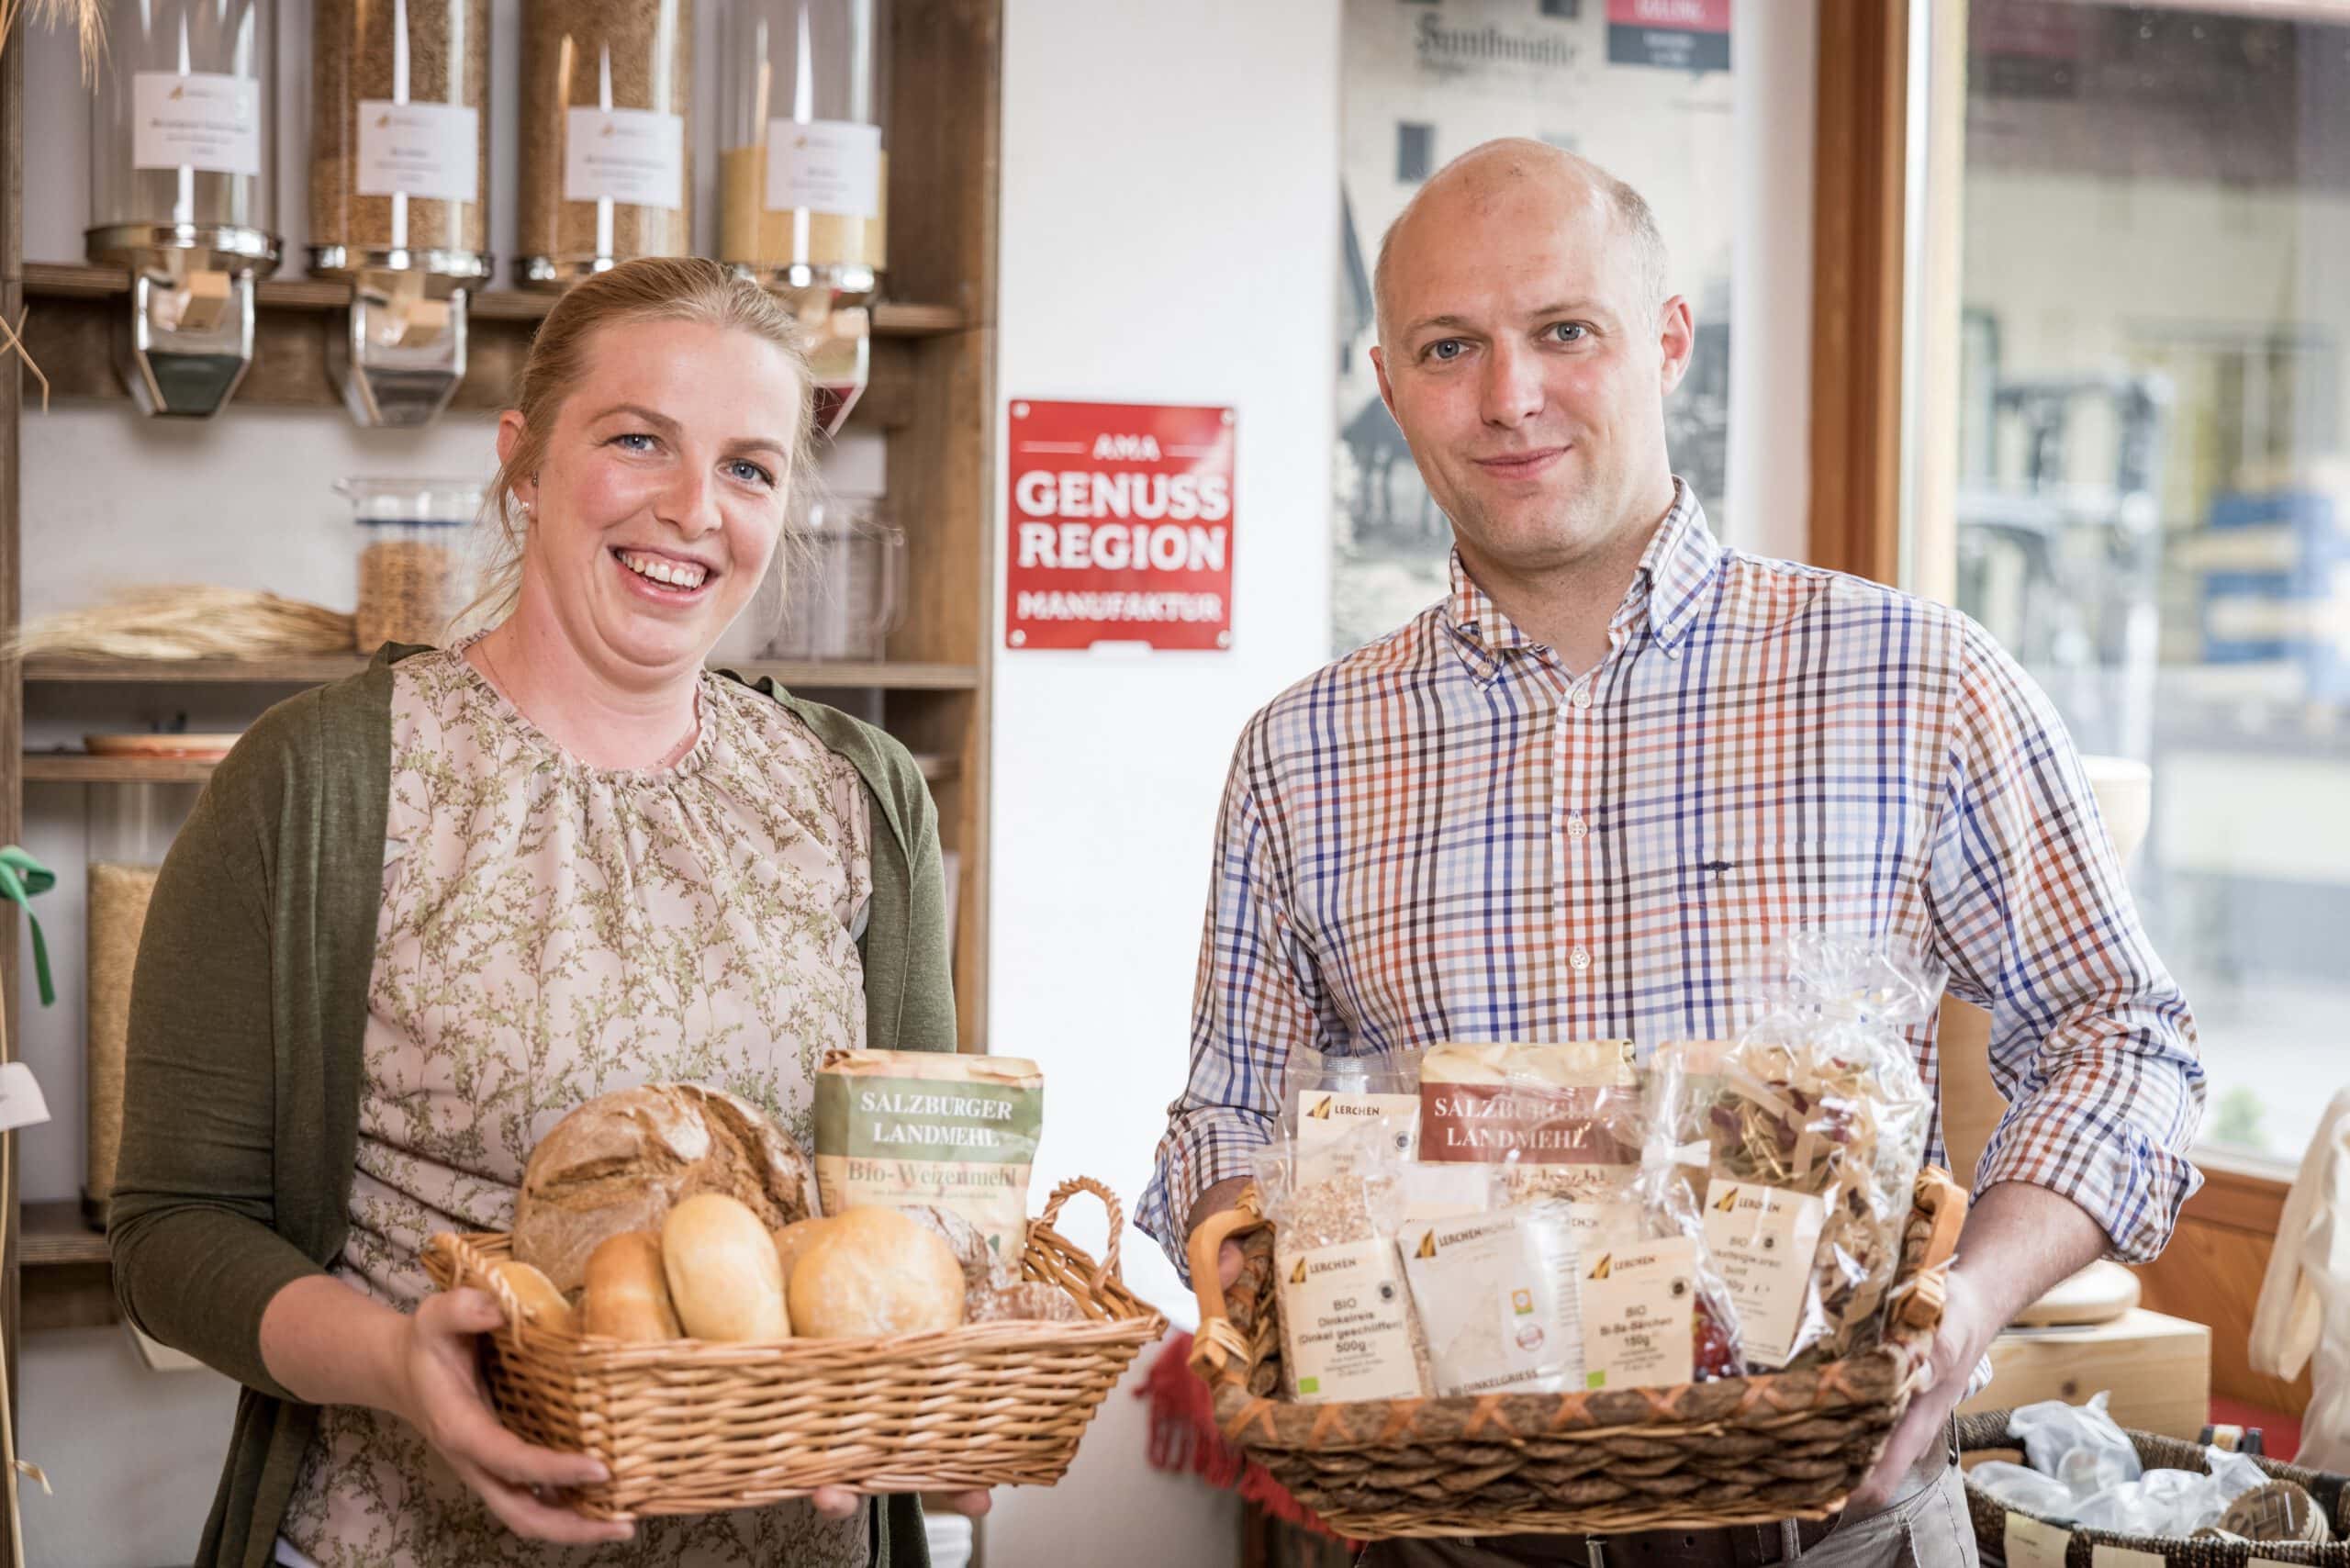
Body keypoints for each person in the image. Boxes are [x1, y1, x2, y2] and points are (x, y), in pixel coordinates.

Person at [1138, 140, 2205, 1568]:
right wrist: (1253, 1281)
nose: (1510, 396)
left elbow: (2124, 1034)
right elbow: (1228, 1118)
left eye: (1563, 330)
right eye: (1450, 347)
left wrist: (1969, 1302)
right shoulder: (1303, 754)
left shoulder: (1912, 677)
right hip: (1451, 1539)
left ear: (1667, 341)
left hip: (1840, 1527)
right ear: (1388, 386)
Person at [107, 256, 984, 1567]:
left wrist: (932, 1397)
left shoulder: (857, 798)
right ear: (523, 465)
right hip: (408, 1536)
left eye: (749, 468)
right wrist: (400, 1364)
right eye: (638, 441)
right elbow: (173, 1233)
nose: (694, 509)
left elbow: (920, 1200)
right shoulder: (323, 780)